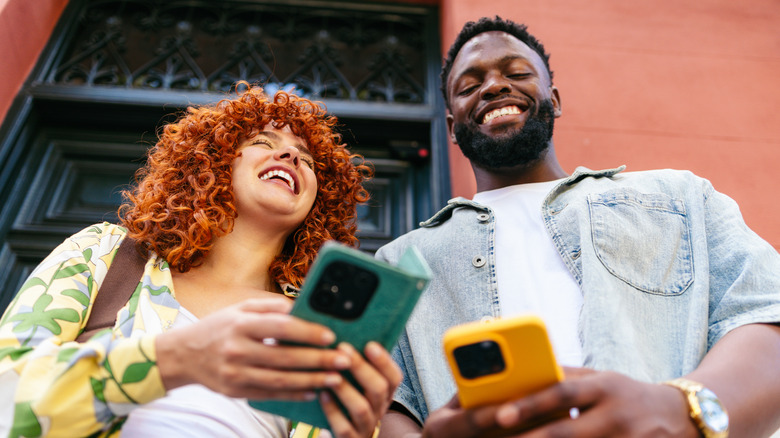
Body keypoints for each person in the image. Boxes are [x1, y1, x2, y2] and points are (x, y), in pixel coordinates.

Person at [375, 16, 780, 438]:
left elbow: (765, 312)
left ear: (554, 98)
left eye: (516, 73)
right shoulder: (401, 264)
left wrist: (684, 411)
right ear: (452, 128)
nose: (494, 86)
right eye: (469, 86)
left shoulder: (681, 196)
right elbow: (385, 403)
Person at [0, 83, 400, 438]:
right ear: (210, 161)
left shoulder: (324, 329)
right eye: (263, 141)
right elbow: (7, 392)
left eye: (307, 159)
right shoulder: (103, 253)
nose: (290, 155)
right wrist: (179, 358)